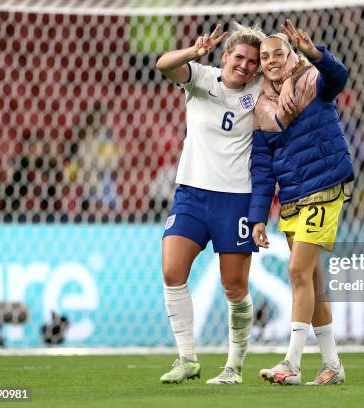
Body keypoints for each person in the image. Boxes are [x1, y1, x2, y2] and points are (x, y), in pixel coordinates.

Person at [155, 23, 266, 385]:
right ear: (225, 56)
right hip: (191, 193)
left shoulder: (262, 90)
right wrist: (192, 51)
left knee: (234, 286)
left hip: (236, 199)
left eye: (252, 61)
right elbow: (163, 64)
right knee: (173, 271)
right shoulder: (201, 76)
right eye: (239, 57)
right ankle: (187, 358)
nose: (245, 66)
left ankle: (233, 367)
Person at [249, 20, 354, 385]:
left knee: (296, 271)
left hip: (325, 184)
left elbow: (338, 78)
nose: (272, 60)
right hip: (293, 195)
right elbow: (262, 168)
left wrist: (314, 54)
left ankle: (291, 364)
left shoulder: (312, 79)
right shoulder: (262, 108)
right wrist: (258, 216)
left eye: (279, 52)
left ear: (291, 53)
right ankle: (333, 366)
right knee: (311, 279)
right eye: (265, 56)